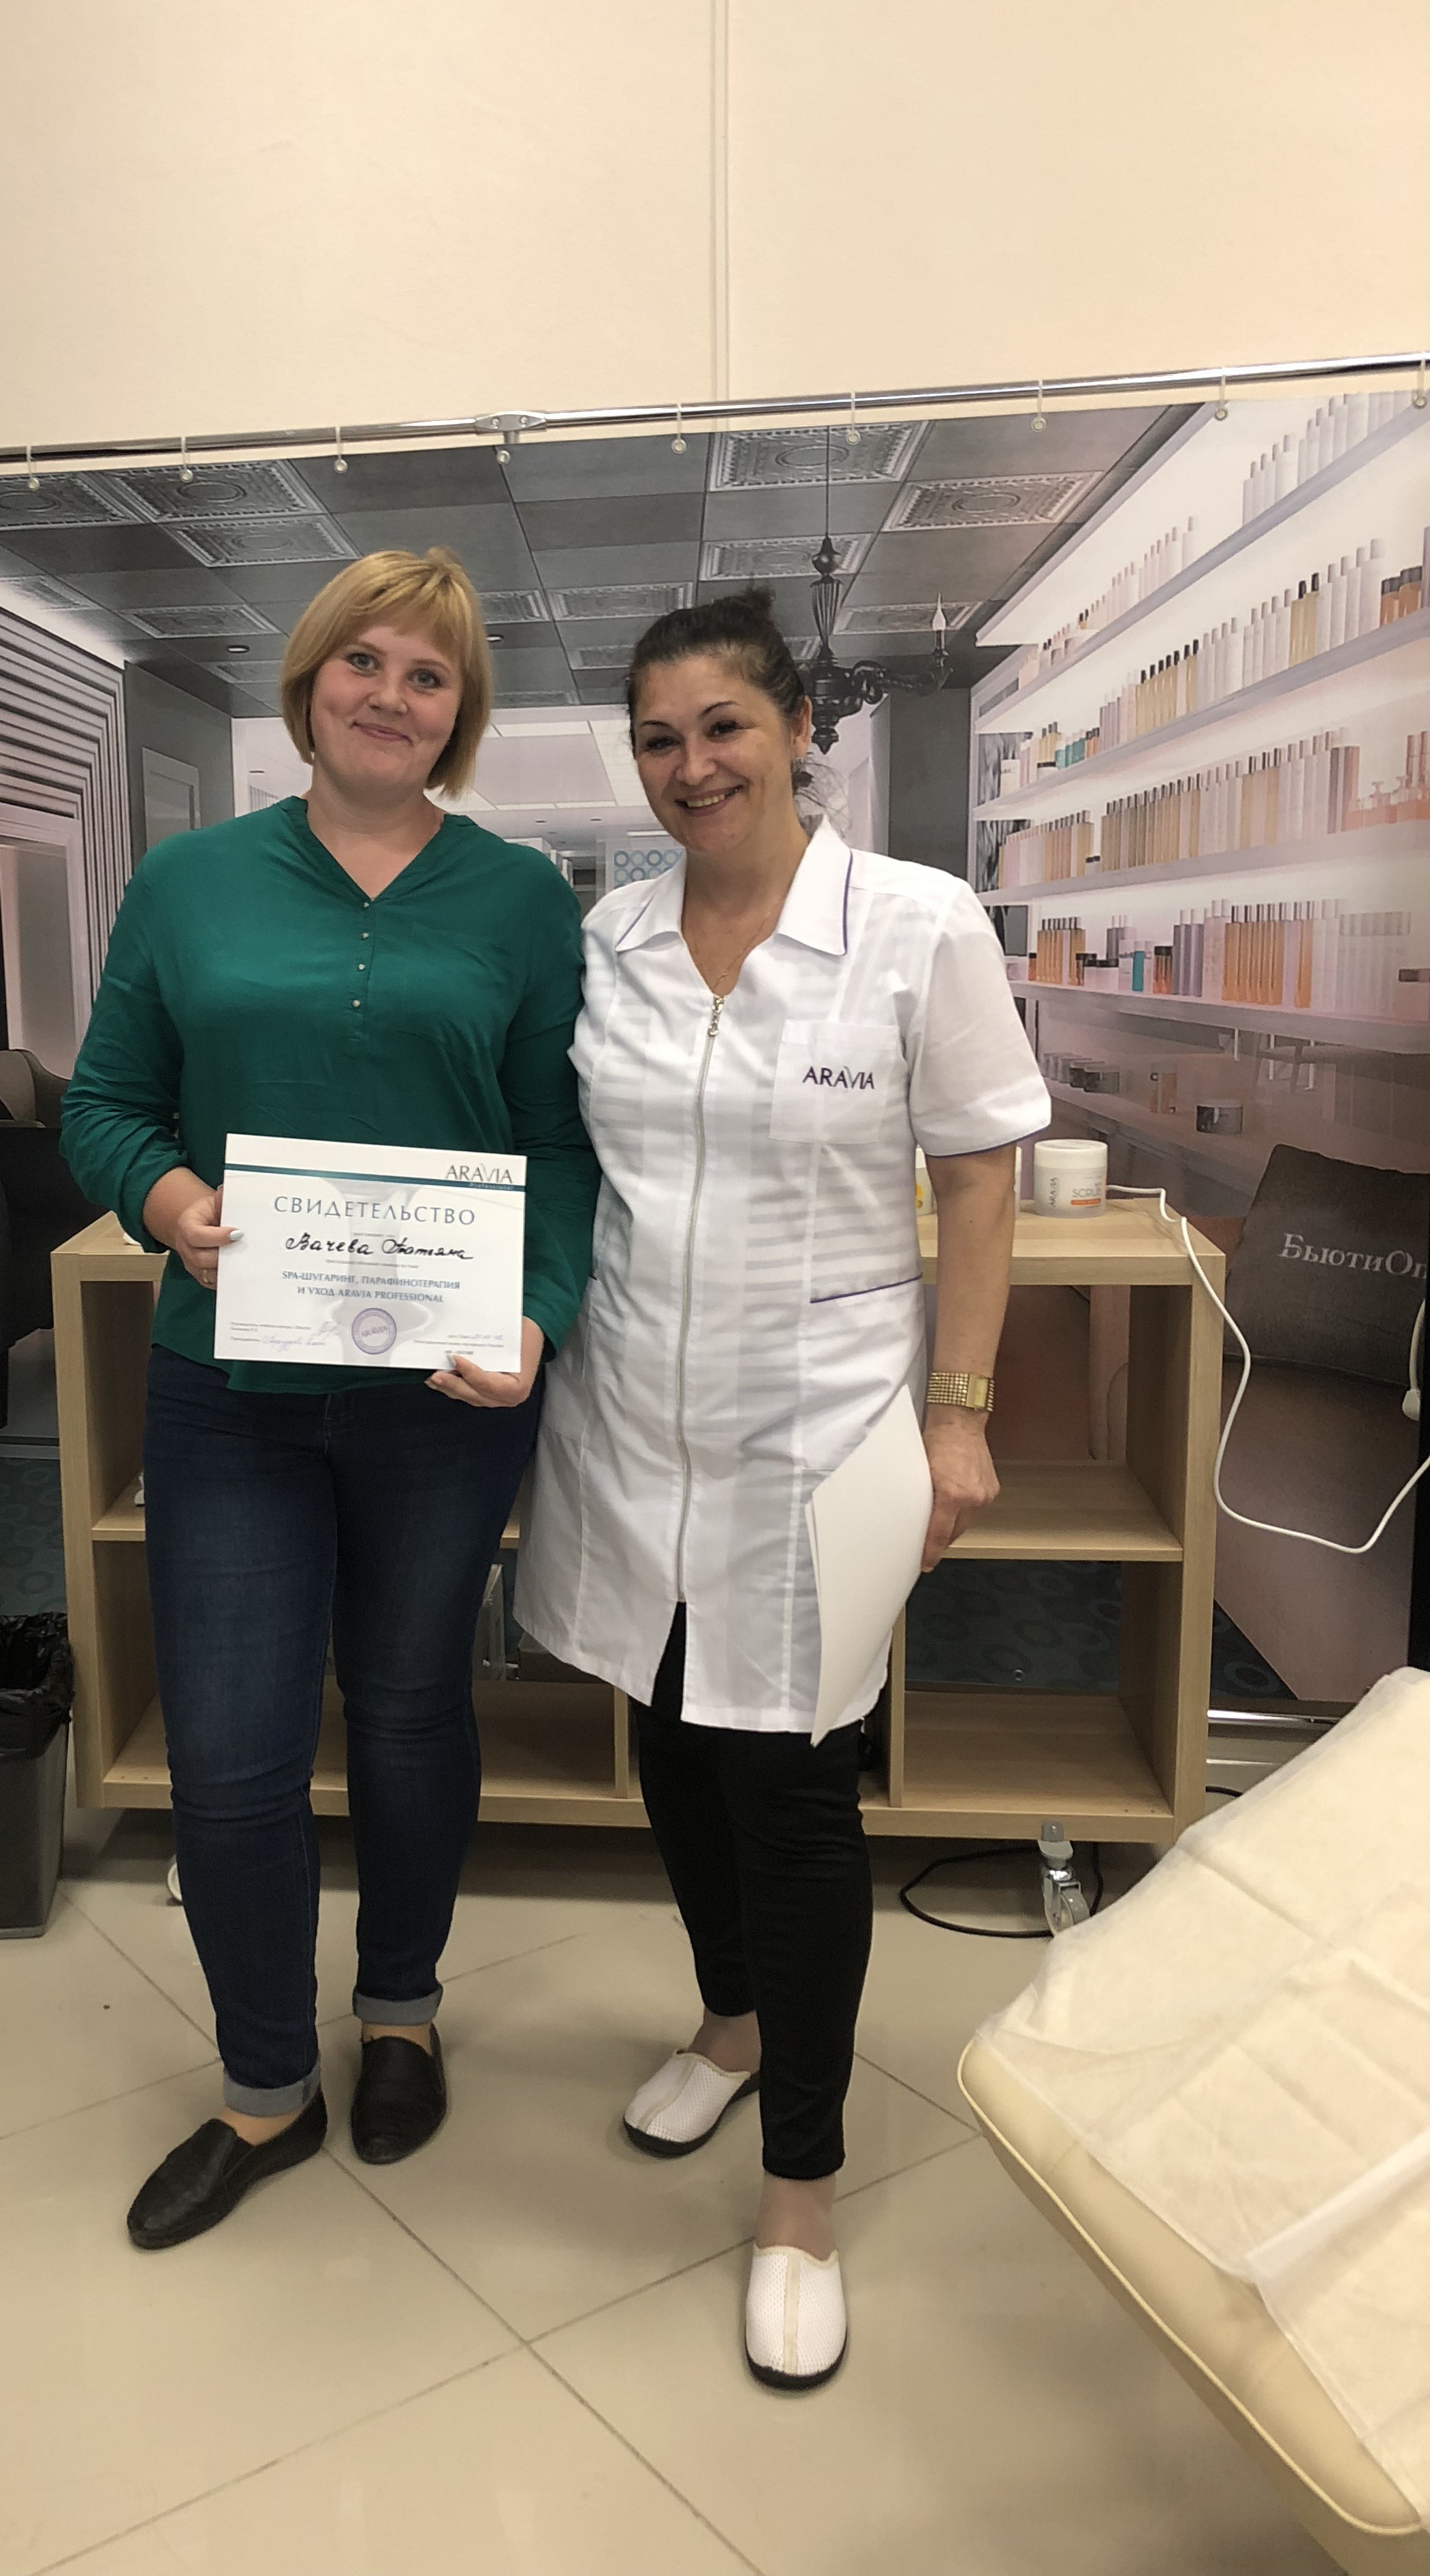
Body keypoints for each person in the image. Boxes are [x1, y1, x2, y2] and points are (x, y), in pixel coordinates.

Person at [515, 588, 1049, 2390]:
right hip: (630, 1426)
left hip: (823, 1435)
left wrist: (958, 1414)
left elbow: (978, 1180)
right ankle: (732, 2022)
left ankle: (802, 2194)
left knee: (795, 1784)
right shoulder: (611, 940)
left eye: (725, 727)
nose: (693, 767)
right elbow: (562, 1162)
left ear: (800, 726)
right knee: (673, 1739)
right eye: (660, 739)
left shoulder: (914, 924)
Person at [62, 547, 597, 2248]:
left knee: (414, 1707)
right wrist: (169, 1204)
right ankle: (263, 2084)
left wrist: (540, 1314)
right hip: (232, 1388)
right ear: (307, 684)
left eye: (428, 674)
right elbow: (104, 1103)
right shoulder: (190, 884)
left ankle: (403, 2012)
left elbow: (560, 1148)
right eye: (362, 661)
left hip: (442, 1396)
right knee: (230, 1752)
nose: (390, 695)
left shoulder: (521, 904)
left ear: (462, 712)